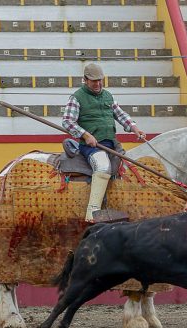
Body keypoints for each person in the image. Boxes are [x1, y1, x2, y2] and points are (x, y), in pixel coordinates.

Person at [62, 63, 146, 222]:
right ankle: (92, 213)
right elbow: (67, 121)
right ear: (85, 80)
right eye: (94, 81)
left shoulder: (108, 96)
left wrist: (134, 128)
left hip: (112, 144)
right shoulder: (77, 97)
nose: (98, 84)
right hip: (91, 147)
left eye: (100, 80)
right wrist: (85, 135)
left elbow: (120, 115)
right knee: (102, 166)